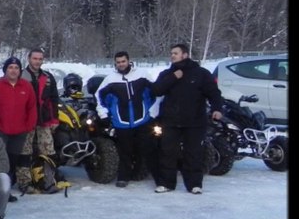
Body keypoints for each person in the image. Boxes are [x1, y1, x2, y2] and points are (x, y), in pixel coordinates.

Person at [151, 43, 224, 194]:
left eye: (175, 53)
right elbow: (156, 90)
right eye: (171, 53)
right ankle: (166, 184)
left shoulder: (201, 73)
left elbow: (214, 93)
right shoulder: (166, 73)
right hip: (171, 120)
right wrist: (173, 77)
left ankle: (194, 184)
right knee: (168, 153)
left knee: (194, 153)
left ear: (185, 55)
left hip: (195, 121)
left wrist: (217, 109)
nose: (172, 56)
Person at [96, 51, 160, 188]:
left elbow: (156, 93)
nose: (121, 64)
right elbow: (99, 97)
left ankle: (159, 179)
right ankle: (123, 177)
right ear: (115, 63)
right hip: (122, 122)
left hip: (142, 119)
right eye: (118, 62)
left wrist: (153, 113)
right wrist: (104, 115)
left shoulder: (142, 75)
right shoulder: (110, 79)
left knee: (149, 149)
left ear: (128, 61)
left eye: (123, 61)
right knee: (125, 151)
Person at [0, 56, 37, 194]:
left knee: (12, 161)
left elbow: (32, 107)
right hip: (0, 131)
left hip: (19, 132)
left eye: (16, 68)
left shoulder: (26, 86)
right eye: (10, 67)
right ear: (5, 69)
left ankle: (6, 191)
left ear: (20, 70)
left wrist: (28, 126)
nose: (13, 70)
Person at [21, 48, 61, 192]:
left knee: (48, 151)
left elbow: (54, 99)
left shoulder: (48, 77)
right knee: (25, 152)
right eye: (35, 58)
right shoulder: (21, 76)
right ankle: (25, 183)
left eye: (40, 59)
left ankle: (48, 181)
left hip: (44, 120)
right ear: (29, 59)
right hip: (26, 120)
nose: (37, 61)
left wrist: (55, 119)